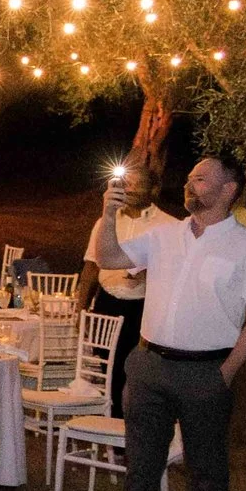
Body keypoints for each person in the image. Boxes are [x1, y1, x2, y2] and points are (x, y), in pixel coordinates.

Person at [89, 152, 246, 491]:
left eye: (200, 178)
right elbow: (110, 259)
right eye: (190, 176)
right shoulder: (163, 236)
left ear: (228, 189)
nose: (189, 184)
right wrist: (108, 211)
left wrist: (228, 371)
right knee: (140, 467)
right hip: (149, 365)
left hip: (206, 371)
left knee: (207, 474)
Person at [75, 168, 174, 417]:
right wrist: (80, 307)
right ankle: (112, 423)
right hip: (107, 302)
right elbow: (90, 265)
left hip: (142, 307)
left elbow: (177, 275)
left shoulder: (169, 226)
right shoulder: (106, 221)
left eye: (134, 186)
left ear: (153, 190)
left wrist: (150, 275)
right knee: (106, 365)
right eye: (124, 185)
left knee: (131, 369)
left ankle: (126, 427)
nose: (127, 190)